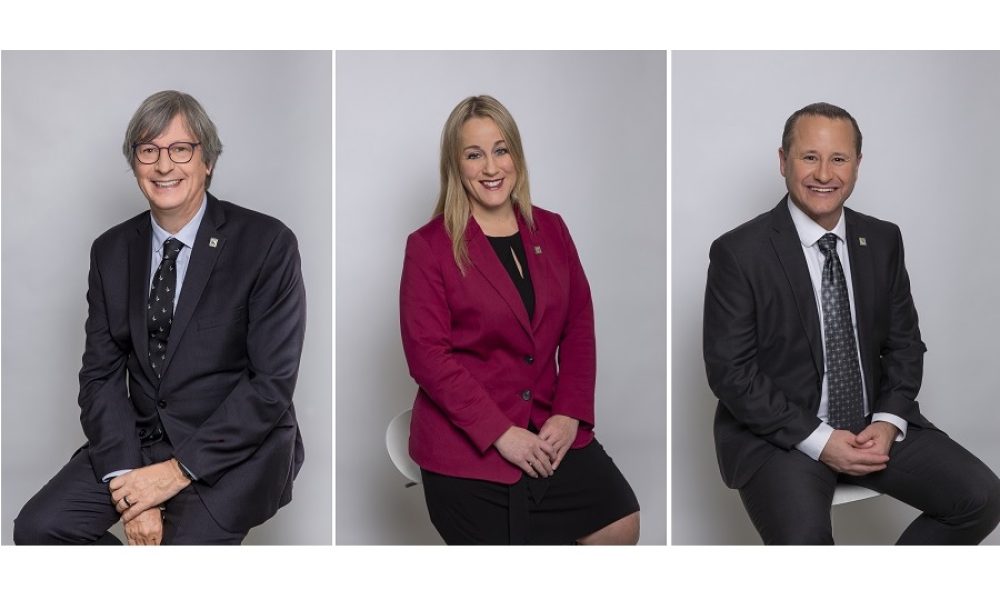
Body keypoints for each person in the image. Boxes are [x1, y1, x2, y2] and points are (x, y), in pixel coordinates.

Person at [13, 90, 306, 545]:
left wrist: (175, 473)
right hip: (141, 441)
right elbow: (100, 377)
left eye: (180, 149)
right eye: (148, 150)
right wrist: (131, 482)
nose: (164, 165)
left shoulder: (266, 243)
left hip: (232, 450)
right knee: (39, 530)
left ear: (207, 159)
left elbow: (270, 385)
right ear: (135, 164)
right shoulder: (110, 251)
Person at [703, 101, 1000, 544]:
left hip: (871, 425)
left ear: (857, 165)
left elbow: (904, 345)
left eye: (838, 158)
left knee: (983, 498)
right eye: (809, 157)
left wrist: (887, 422)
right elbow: (732, 373)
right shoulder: (739, 252)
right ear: (783, 161)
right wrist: (820, 440)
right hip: (782, 434)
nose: (825, 173)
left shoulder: (882, 239)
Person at [399, 95, 639, 544]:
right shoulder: (430, 246)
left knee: (619, 523)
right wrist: (500, 434)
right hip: (466, 446)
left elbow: (578, 326)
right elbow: (427, 356)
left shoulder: (552, 229)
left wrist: (569, 413)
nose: (491, 167)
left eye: (501, 149)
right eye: (474, 154)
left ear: (517, 156)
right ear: (456, 165)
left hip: (549, 428)